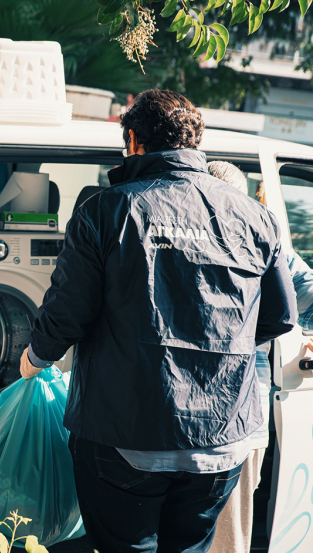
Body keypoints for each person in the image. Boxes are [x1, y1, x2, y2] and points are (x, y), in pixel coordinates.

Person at [19, 88, 298, 552]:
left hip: (123, 435)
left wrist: (32, 361)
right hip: (219, 437)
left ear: (132, 140)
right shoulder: (256, 218)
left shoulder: (105, 211)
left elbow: (68, 315)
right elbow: (279, 317)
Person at [207, 161, 313, 552]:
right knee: (228, 528)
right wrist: (249, 339)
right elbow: (295, 303)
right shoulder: (263, 234)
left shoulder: (158, 230)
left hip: (164, 411)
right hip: (240, 407)